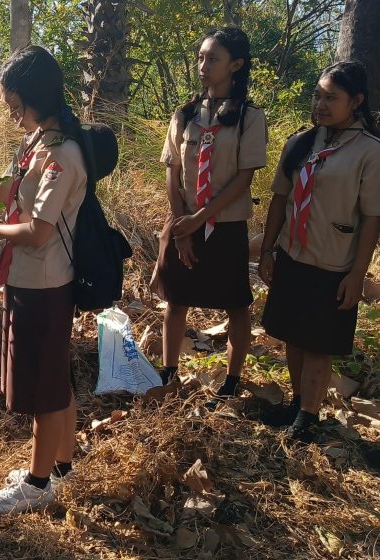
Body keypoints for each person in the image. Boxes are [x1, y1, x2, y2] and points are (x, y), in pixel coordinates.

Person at [0, 46, 89, 514]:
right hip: (28, 279)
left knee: (44, 388)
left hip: (44, 283)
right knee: (55, 377)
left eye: (12, 104)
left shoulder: (62, 153)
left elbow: (37, 230)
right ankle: (62, 468)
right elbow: (6, 188)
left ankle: (37, 482)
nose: (10, 114)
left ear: (31, 97)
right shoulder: (37, 146)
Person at [258, 60, 380, 442]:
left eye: (332, 97)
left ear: (357, 101)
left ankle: (308, 418)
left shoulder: (370, 152)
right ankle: (297, 404)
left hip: (333, 263)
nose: (321, 104)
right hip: (293, 257)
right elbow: (280, 200)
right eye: (318, 95)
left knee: (318, 345)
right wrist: (266, 251)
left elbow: (372, 219)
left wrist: (357, 274)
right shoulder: (302, 142)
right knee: (292, 335)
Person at [155, 27, 267, 403]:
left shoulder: (250, 117)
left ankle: (232, 381)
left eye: (213, 59)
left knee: (236, 303)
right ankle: (169, 371)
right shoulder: (185, 114)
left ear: (235, 65)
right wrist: (182, 227)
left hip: (225, 223)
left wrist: (202, 217)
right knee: (176, 299)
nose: (203, 65)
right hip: (184, 221)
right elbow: (172, 171)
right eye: (200, 57)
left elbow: (244, 177)